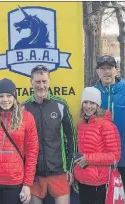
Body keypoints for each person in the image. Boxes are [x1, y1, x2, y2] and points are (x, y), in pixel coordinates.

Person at [0, 78, 39, 204]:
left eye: (8, 96)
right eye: (1, 96)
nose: (5, 99)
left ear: (14, 96)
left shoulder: (27, 118)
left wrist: (27, 184)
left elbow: (32, 153)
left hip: (14, 180)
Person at [23, 65, 76, 204]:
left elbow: (71, 138)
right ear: (31, 82)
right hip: (34, 174)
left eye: (44, 81)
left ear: (49, 81)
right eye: (38, 82)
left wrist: (70, 168)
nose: (41, 85)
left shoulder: (60, 105)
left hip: (58, 171)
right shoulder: (24, 108)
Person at [94, 55, 125, 204]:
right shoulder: (92, 92)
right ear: (97, 71)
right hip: (101, 158)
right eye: (102, 68)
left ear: (116, 70)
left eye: (109, 68)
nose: (106, 72)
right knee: (105, 198)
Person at [74, 87, 121, 204]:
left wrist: (88, 159)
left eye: (92, 103)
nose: (88, 106)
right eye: (85, 102)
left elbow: (114, 156)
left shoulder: (106, 126)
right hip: (83, 180)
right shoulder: (81, 125)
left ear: (98, 105)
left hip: (99, 182)